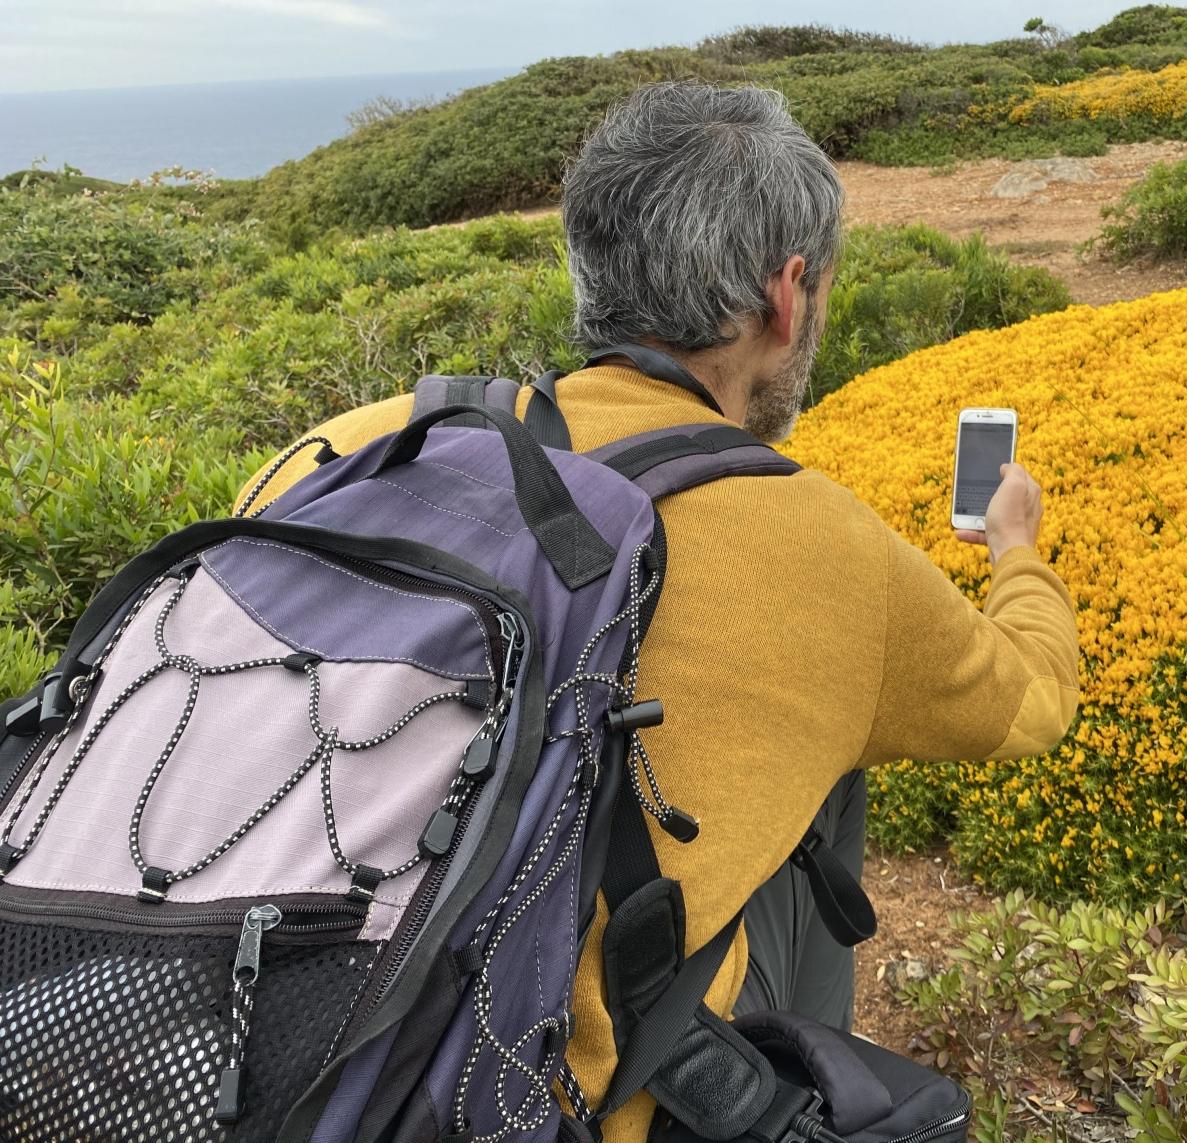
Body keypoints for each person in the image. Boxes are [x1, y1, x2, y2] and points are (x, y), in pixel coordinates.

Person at [239, 81, 1079, 1143]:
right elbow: (1032, 702)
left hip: (229, 1034)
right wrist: (1015, 548)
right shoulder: (817, 543)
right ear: (787, 295)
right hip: (509, 1104)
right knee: (821, 772)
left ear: (589, 269)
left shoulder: (337, 452)